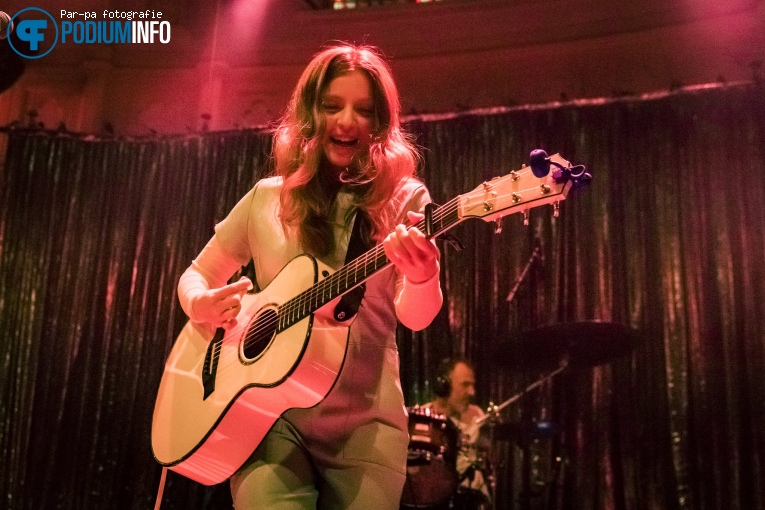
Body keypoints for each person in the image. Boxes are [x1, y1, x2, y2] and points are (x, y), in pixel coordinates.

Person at [176, 43, 443, 509]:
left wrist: (423, 278)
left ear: (380, 123)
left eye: (363, 110)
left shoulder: (402, 199)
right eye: (331, 105)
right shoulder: (265, 199)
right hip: (267, 416)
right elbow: (197, 275)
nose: (345, 121)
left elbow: (417, 318)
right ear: (307, 113)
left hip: (366, 422)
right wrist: (201, 304)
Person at [424, 357, 492, 507]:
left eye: (473, 385)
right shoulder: (423, 418)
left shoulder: (477, 415)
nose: (472, 392)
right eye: (465, 385)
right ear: (443, 386)